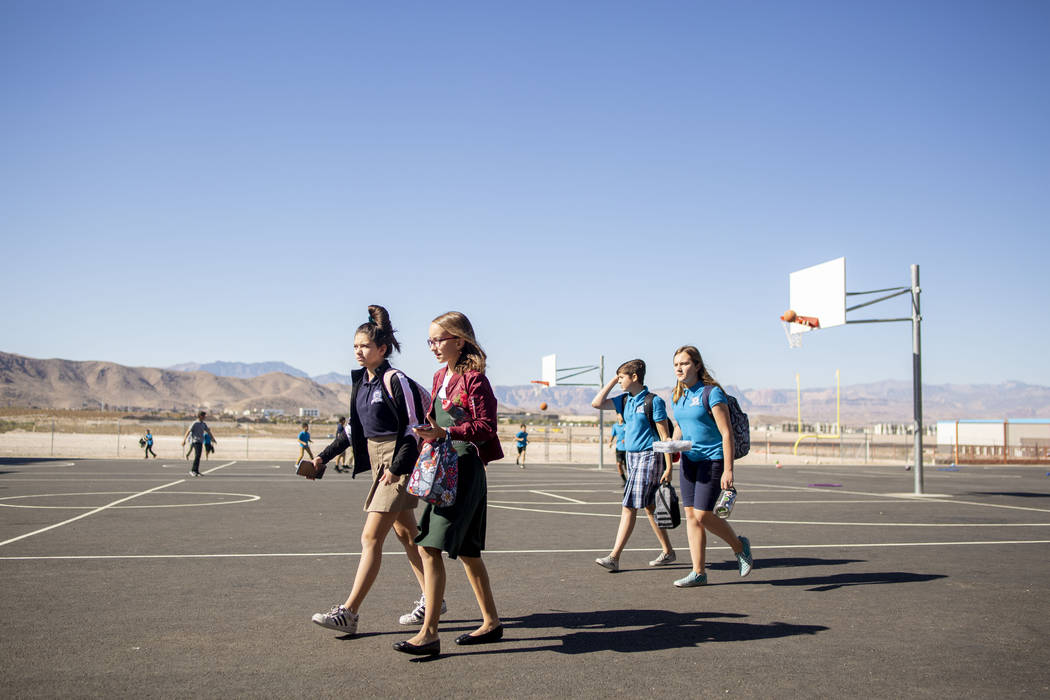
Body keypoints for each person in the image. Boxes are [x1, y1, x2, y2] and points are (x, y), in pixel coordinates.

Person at [309, 305, 435, 637]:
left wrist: (396, 468)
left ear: (382, 349)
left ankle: (349, 613)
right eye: (355, 346)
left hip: (399, 464)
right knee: (407, 536)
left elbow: (412, 428)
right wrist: (322, 459)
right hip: (380, 463)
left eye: (365, 346)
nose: (359, 352)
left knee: (370, 537)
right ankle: (434, 599)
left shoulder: (396, 380)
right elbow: (353, 431)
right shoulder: (361, 384)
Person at [395, 311, 504, 657]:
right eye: (430, 340)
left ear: (459, 340)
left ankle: (428, 633)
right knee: (469, 553)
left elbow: (487, 426)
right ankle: (492, 622)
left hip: (464, 470)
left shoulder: (475, 380)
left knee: (429, 546)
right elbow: (437, 420)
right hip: (442, 469)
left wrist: (448, 431)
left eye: (438, 339)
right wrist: (429, 433)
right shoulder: (440, 375)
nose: (433, 346)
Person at [669, 345, 753, 587]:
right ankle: (698, 572)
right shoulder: (678, 395)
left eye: (684, 363)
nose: (679, 368)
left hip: (712, 460)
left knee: (703, 515)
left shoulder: (711, 393)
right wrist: (672, 444)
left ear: (697, 365)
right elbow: (680, 426)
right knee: (691, 518)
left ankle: (740, 546)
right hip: (689, 461)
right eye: (676, 364)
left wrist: (729, 470)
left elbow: (726, 434)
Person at [590, 359, 676, 572]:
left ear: (635, 377)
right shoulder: (624, 400)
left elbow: (664, 437)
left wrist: (669, 467)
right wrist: (614, 378)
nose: (620, 381)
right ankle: (668, 551)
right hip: (632, 457)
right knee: (649, 506)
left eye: (622, 378)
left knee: (628, 505)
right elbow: (597, 403)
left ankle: (614, 556)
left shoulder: (653, 402)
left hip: (650, 456)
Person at [181, 410, 214, 477]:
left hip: (200, 442)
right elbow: (188, 431)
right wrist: (184, 440)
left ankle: (196, 471)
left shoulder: (203, 424)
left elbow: (208, 431)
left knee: (198, 456)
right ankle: (193, 470)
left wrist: (212, 438)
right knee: (197, 455)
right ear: (200, 416)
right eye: (204, 416)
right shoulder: (195, 423)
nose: (205, 417)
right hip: (195, 441)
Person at [608, 415, 626, 483]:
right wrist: (610, 442)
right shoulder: (615, 426)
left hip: (626, 449)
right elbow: (613, 434)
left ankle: (630, 480)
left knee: (627, 467)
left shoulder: (626, 425)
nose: (620, 416)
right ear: (617, 416)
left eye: (621, 415)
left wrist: (626, 439)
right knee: (619, 464)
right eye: (619, 415)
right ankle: (624, 480)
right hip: (619, 448)